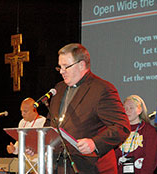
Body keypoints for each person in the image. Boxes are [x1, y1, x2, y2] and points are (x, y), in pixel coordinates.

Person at [44, 43, 131, 174]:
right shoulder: (59, 88)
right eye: (60, 67)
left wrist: (94, 143)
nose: (61, 71)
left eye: (66, 66)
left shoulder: (102, 89)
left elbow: (121, 126)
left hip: (91, 166)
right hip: (60, 165)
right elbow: (50, 123)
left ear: (81, 65)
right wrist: (36, 142)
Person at [115, 95, 157, 174]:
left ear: (139, 110)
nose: (127, 111)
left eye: (131, 108)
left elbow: (151, 159)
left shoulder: (148, 130)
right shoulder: (118, 130)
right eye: (124, 108)